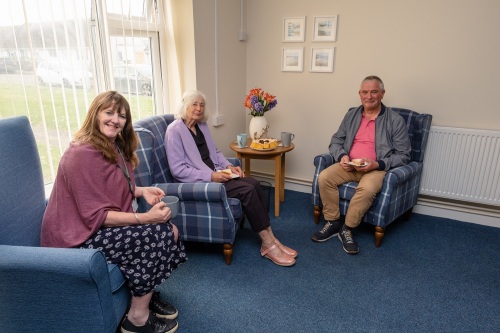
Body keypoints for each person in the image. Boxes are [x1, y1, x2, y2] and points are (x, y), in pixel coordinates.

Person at [41, 91, 187, 333]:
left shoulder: (114, 145)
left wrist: (140, 191)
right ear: (95, 115)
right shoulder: (80, 153)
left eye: (121, 115)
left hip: (93, 226)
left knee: (170, 230)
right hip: (76, 237)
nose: (115, 120)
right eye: (108, 112)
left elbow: (109, 187)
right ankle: (136, 319)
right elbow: (96, 216)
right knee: (158, 233)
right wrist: (145, 218)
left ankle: (145, 294)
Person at [164, 90, 297, 267]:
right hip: (201, 183)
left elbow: (215, 152)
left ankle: (272, 238)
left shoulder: (201, 126)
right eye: (194, 104)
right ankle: (268, 245)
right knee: (247, 191)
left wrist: (228, 166)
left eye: (202, 105)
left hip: (218, 174)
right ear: (184, 106)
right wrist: (211, 176)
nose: (199, 108)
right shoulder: (174, 131)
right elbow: (178, 170)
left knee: (255, 183)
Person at [311, 76, 411, 254]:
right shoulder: (351, 115)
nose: (369, 96)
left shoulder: (395, 121)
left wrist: (377, 164)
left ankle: (347, 228)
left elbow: (404, 155)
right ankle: (333, 222)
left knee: (367, 189)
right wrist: (342, 155)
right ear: (360, 94)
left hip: (376, 168)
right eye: (365, 92)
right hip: (349, 164)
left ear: (382, 94)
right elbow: (336, 141)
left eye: (374, 92)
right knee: (325, 177)